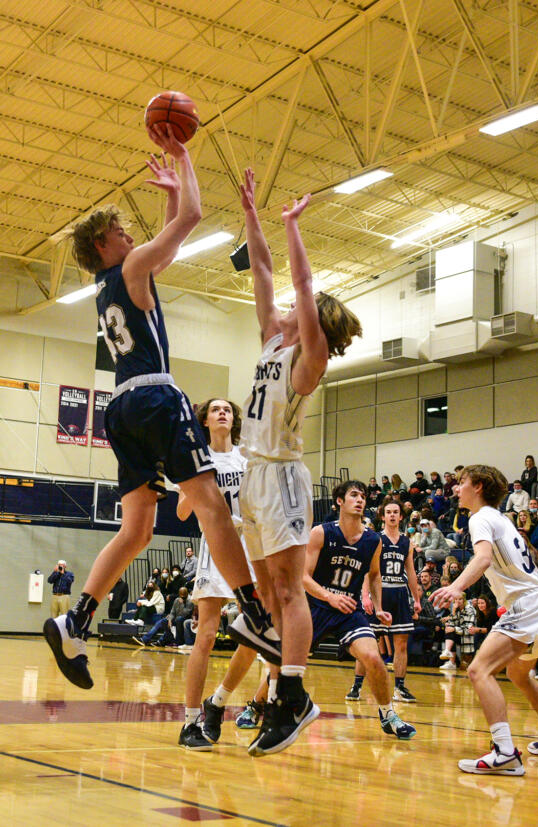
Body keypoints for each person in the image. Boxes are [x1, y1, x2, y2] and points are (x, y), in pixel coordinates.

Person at [47, 125, 277, 691]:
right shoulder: (129, 269)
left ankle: (74, 619)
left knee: (137, 532)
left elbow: (169, 238)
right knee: (210, 507)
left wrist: (170, 189)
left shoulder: (111, 287)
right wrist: (183, 154)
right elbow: (193, 218)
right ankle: (255, 611)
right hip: (153, 395)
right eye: (121, 231)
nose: (129, 235)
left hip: (119, 409)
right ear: (104, 244)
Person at [230, 168, 362, 755]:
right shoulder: (268, 340)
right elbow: (261, 272)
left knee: (288, 593)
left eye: (296, 308)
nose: (281, 305)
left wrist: (291, 227)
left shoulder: (309, 361)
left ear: (313, 327)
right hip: (253, 475)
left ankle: (293, 695)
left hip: (281, 475)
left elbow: (301, 285)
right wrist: (253, 213)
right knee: (264, 593)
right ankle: (277, 683)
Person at [432, 465, 538, 776]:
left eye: (462, 483)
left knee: (478, 669)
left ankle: (505, 752)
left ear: (480, 487)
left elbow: (483, 558)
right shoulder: (501, 519)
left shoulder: (481, 517)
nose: (457, 489)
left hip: (528, 605)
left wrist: (456, 586)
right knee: (519, 674)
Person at [174, 398, 260, 751]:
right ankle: (190, 720)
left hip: (252, 545)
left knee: (259, 632)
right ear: (205, 421)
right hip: (215, 543)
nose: (223, 413)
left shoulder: (247, 458)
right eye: (216, 410)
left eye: (228, 409)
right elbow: (181, 513)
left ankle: (219, 701)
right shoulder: (198, 460)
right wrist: (197, 485)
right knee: (206, 634)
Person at [304, 481, 416, 741]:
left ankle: (388, 714)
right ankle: (256, 705)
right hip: (317, 606)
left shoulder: (372, 540)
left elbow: (374, 575)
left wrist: (377, 607)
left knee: (374, 659)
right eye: (353, 495)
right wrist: (329, 596)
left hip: (349, 610)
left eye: (363, 496)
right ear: (339, 502)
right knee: (286, 661)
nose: (360, 499)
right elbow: (303, 578)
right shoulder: (321, 533)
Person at [349, 499, 421, 703]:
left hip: (399, 593)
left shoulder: (406, 542)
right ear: (382, 516)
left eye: (395, 512)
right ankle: (356, 685)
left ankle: (399, 687)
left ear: (400, 516)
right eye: (388, 512)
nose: (391, 515)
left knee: (401, 644)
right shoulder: (374, 538)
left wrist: (416, 599)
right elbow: (367, 571)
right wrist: (365, 596)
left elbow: (411, 571)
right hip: (379, 593)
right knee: (367, 644)